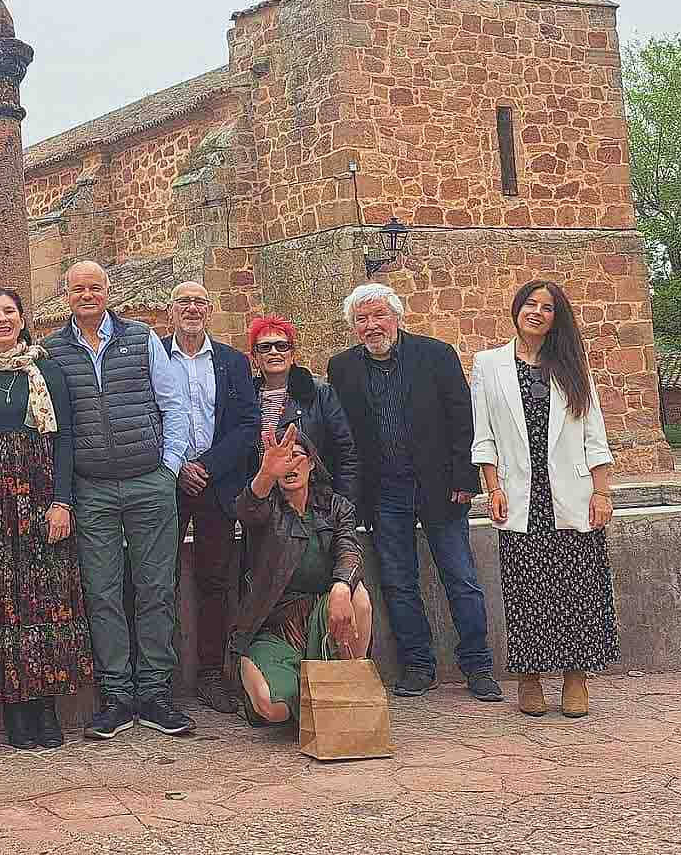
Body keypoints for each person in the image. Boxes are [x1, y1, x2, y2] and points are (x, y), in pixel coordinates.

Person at [40, 260, 195, 740]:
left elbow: (173, 403)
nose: (87, 295)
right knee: (102, 592)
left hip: (149, 482)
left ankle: (155, 693)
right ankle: (117, 696)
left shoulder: (141, 337)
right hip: (93, 489)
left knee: (156, 588)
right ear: (66, 296)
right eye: (78, 289)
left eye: (94, 287)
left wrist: (169, 469)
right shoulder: (53, 352)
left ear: (108, 291)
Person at [327, 283, 502, 702]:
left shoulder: (436, 355)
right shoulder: (342, 368)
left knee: (461, 577)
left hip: (439, 487)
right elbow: (342, 435)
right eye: (362, 320)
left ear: (397, 317)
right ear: (354, 327)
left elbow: (462, 419)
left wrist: (465, 479)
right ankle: (418, 666)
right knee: (398, 582)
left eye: (379, 316)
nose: (371, 326)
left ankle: (478, 666)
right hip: (384, 492)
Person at [0, 287, 91, 749]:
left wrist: (62, 502)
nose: (2, 319)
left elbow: (65, 439)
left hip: (41, 498)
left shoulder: (46, 372)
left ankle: (45, 707)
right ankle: (14, 708)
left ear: (22, 318)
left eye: (9, 311)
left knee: (44, 599)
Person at [471, 280, 619, 718]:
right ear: (517, 309)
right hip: (521, 497)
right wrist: (494, 488)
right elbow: (485, 436)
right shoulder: (488, 365)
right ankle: (529, 677)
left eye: (548, 307)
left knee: (579, 588)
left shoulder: (572, 364)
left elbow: (594, 434)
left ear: (557, 318)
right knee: (526, 591)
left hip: (572, 494)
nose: (537, 312)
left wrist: (602, 492)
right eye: (530, 304)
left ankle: (576, 677)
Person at [227, 423, 373, 727]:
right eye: (281, 458)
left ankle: (349, 685)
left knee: (358, 595)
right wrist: (265, 475)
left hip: (323, 615)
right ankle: (253, 670)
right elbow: (246, 509)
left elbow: (349, 550)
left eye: (296, 455)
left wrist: (341, 587)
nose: (289, 464)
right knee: (274, 710)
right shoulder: (267, 508)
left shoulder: (336, 507)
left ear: (311, 463)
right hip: (276, 626)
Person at [163, 281, 259, 714]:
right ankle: (158, 679)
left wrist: (207, 466)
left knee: (216, 581)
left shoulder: (232, 362)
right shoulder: (153, 357)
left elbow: (247, 424)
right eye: (183, 301)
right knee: (158, 581)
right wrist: (178, 467)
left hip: (217, 484)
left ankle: (210, 675)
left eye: (199, 301)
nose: (192, 308)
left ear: (210, 309)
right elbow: (145, 416)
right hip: (169, 484)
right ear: (171, 310)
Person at [247, 315, 357, 507]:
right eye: (265, 347)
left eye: (282, 346)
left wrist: (341, 506)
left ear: (293, 355)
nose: (274, 351)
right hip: (263, 504)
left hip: (312, 501)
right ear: (255, 357)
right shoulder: (246, 399)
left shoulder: (319, 393)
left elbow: (346, 453)